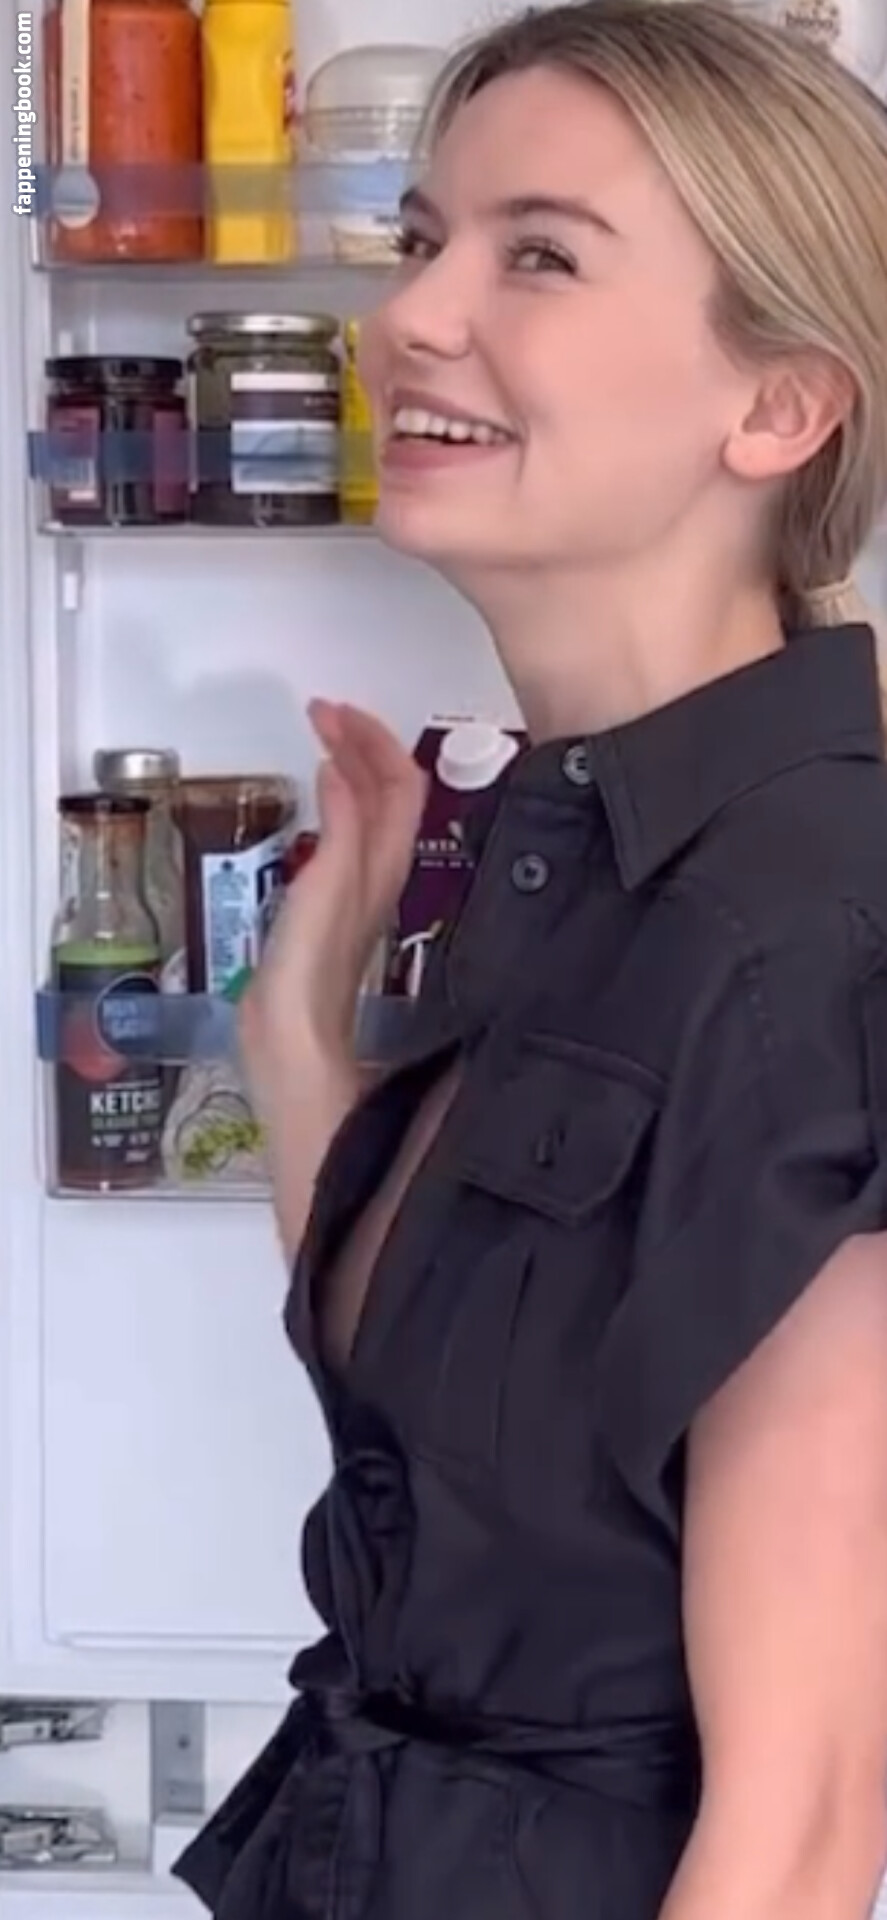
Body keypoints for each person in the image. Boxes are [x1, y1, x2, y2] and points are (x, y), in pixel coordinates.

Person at [174, 4, 887, 1917]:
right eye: (421, 241)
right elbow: (478, 1458)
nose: (409, 315)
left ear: (780, 408)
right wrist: (298, 1046)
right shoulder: (563, 860)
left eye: (541, 256)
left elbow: (802, 1827)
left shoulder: (816, 932)